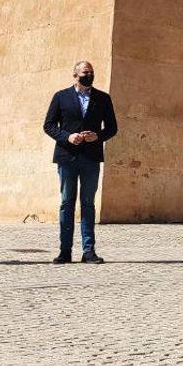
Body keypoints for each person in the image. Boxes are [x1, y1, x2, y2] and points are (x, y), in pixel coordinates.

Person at [43, 60, 118, 264]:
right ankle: (65, 251)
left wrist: (98, 136)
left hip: (91, 157)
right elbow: (48, 125)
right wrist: (67, 136)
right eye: (86, 72)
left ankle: (88, 251)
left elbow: (112, 128)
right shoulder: (61, 97)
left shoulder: (102, 98)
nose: (89, 75)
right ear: (75, 75)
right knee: (67, 202)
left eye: (92, 72)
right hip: (67, 156)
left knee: (88, 203)